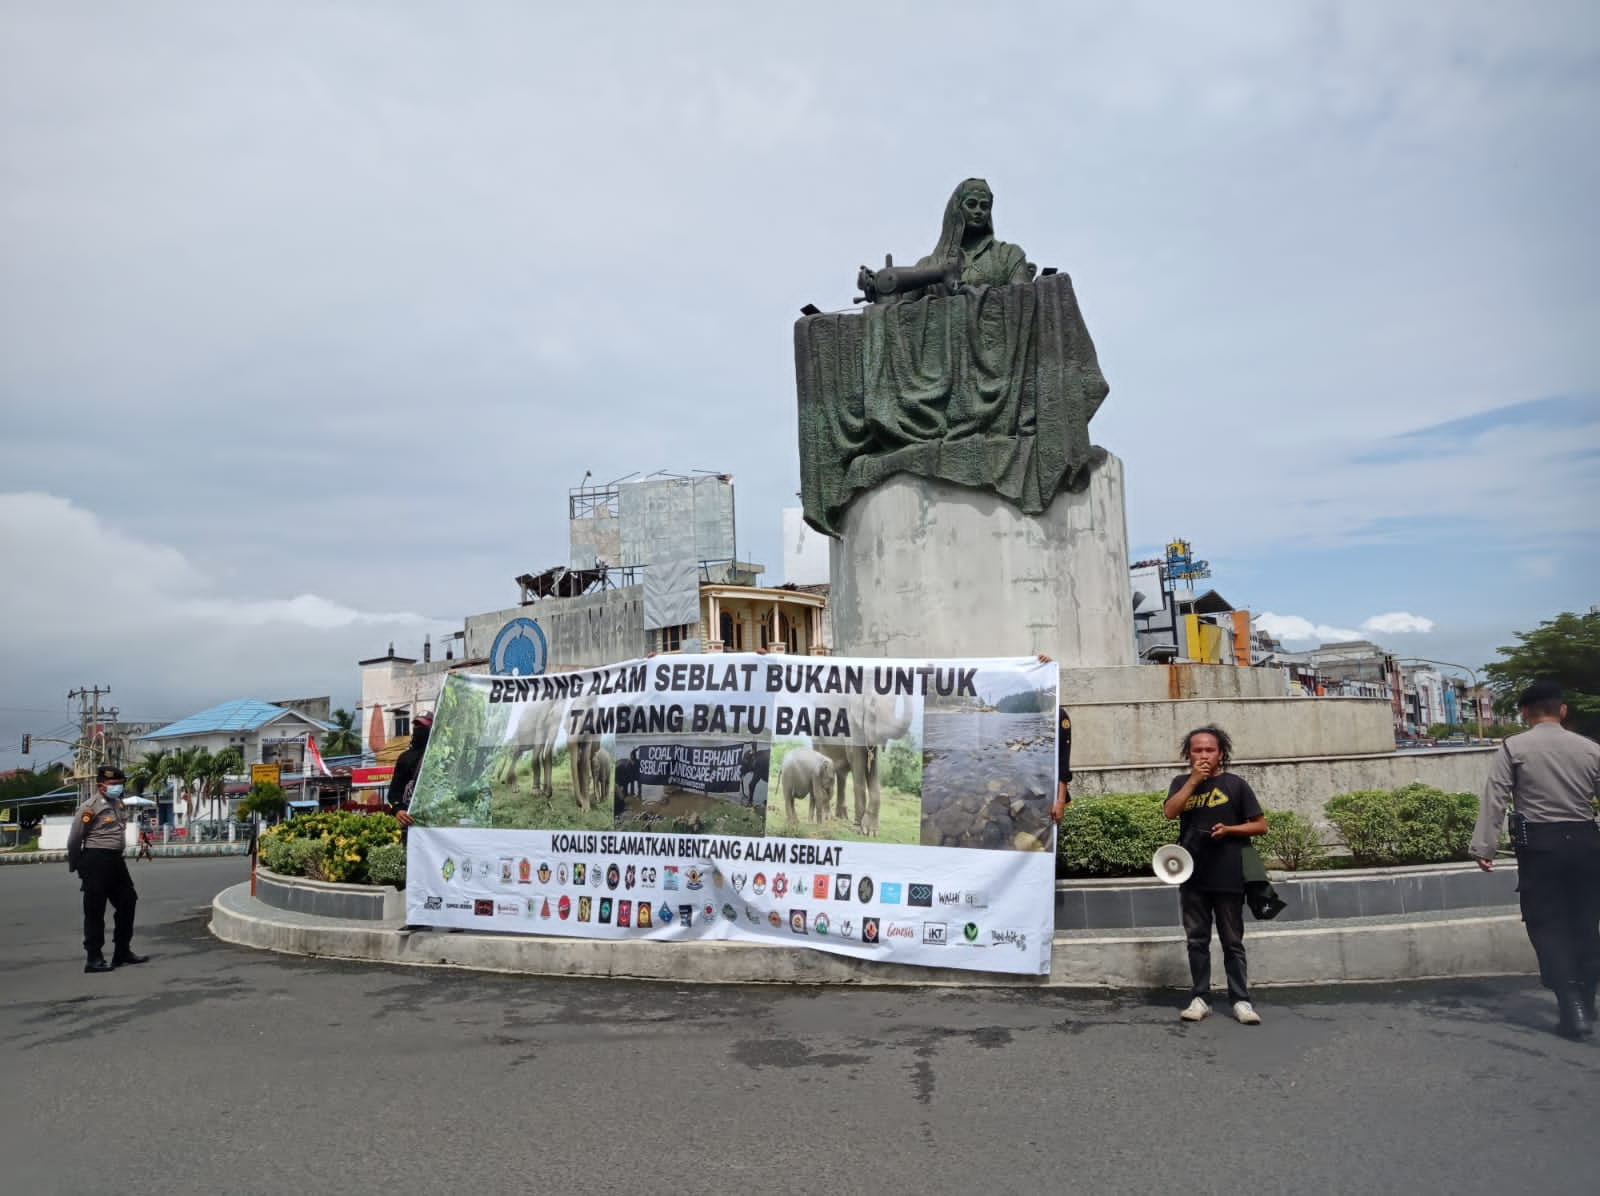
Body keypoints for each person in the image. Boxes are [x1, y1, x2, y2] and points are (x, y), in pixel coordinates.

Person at [1471, 681, 1600, 1040]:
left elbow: (1495, 798)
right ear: (1562, 711)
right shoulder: (1590, 749)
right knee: (1586, 922)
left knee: (1547, 925)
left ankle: (1571, 1006)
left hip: (1540, 846)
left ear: (1525, 713)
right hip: (1587, 843)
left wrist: (1485, 847)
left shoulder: (1514, 747)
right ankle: (1588, 999)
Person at [1162, 726, 1268, 1025]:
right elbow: (1170, 812)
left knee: (1233, 941)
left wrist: (1231, 829)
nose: (1204, 755)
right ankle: (1200, 998)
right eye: (1197, 750)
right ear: (1188, 754)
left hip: (1229, 874)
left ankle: (1241, 1000)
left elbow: (1260, 825)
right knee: (1196, 940)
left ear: (1221, 753)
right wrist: (1194, 781)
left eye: (1210, 750)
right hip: (1192, 874)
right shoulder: (1181, 782)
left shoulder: (1235, 785)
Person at [66, 765, 147, 974]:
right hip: (95, 860)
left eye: (120, 784)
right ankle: (93, 957)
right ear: (100, 785)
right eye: (113, 785)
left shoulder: (118, 804)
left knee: (128, 901)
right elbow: (75, 838)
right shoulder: (89, 807)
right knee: (95, 909)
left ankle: (122, 950)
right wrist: (75, 865)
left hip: (115, 861)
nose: (118, 788)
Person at [390, 712, 432, 832]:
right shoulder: (405, 757)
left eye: (422, 727)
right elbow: (394, 791)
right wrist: (398, 809)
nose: (418, 730)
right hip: (410, 822)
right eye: (416, 726)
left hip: (434, 822)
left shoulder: (441, 755)